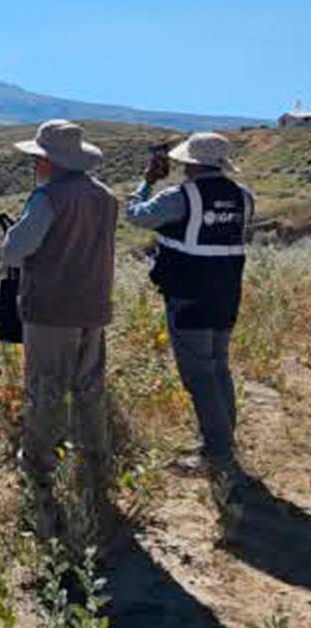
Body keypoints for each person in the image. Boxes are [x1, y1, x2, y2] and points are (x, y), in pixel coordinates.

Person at [1, 119, 118, 542]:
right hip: (94, 306)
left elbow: (16, 249)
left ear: (48, 160)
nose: (35, 163)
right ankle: (95, 466)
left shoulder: (48, 197)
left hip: (52, 311)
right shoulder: (105, 197)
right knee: (89, 388)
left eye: (37, 157)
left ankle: (38, 472)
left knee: (46, 390)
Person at [125, 132, 253, 501]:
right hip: (227, 295)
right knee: (218, 367)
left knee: (199, 376)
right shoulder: (245, 197)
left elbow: (136, 217)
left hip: (188, 298)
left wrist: (147, 181)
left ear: (192, 162)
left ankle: (218, 452)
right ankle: (224, 437)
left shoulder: (179, 197)